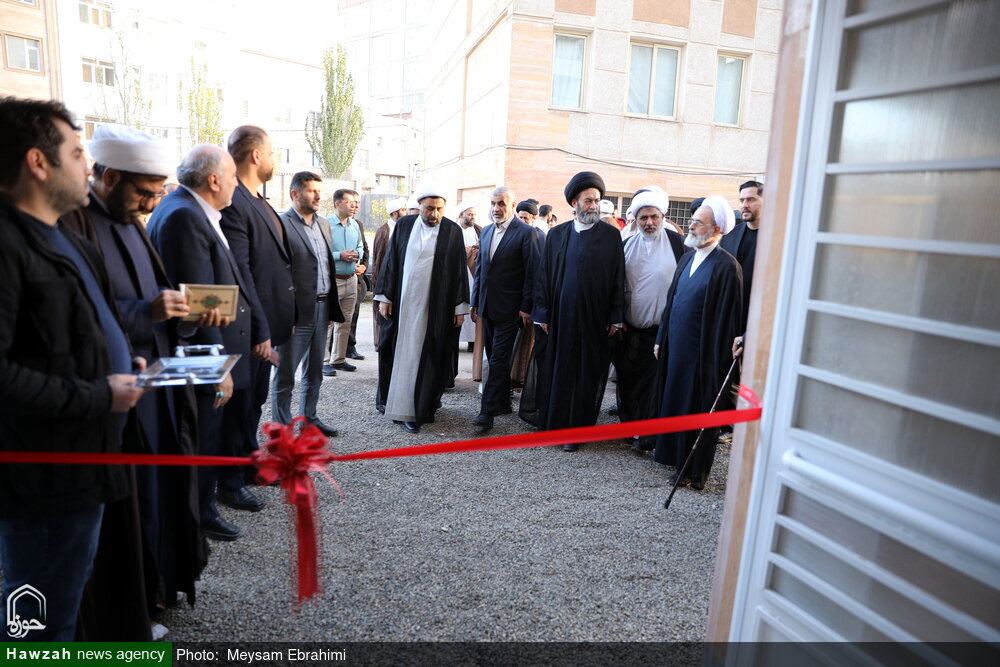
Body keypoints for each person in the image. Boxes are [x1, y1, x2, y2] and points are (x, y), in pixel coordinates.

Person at [0, 97, 144, 640]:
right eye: (78, 153)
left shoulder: (71, 239)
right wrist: (99, 395)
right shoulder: (6, 243)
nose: (90, 166)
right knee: (36, 625)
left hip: (86, 463)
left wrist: (121, 356)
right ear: (38, 162)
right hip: (42, 477)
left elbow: (80, 329)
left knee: (65, 604)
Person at [60, 125, 205, 637]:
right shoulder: (75, 223)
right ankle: (127, 617)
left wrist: (183, 313)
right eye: (144, 192)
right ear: (110, 177)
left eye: (157, 192)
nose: (150, 204)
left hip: (155, 389)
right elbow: (80, 319)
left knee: (159, 496)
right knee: (130, 510)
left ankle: (155, 594)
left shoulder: (132, 221)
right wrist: (147, 312)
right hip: (119, 399)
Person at [148, 145, 257, 541]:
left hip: (204, 350)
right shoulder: (184, 216)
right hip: (200, 355)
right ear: (213, 180)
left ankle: (197, 513)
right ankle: (196, 518)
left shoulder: (189, 210)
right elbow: (198, 303)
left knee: (204, 436)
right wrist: (217, 366)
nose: (235, 186)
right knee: (200, 438)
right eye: (231, 178)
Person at [521, 171, 625, 449]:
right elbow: (543, 276)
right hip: (560, 319)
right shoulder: (557, 234)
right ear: (574, 203)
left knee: (585, 375)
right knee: (559, 371)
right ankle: (555, 426)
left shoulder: (611, 236)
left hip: (594, 319)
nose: (593, 205)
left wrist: (616, 316)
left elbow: (618, 277)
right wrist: (541, 312)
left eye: (597, 200)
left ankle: (576, 432)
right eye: (588, 200)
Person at [221, 125, 294, 492]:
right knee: (239, 404)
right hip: (248, 328)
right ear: (255, 155)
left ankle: (249, 465)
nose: (274, 159)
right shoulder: (234, 200)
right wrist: (259, 329)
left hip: (264, 325)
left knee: (253, 402)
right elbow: (241, 272)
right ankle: (230, 481)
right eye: (272, 152)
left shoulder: (259, 201)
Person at [653, 196, 743, 489]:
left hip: (702, 356)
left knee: (696, 409)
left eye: (698, 223)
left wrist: (714, 361)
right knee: (675, 403)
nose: (691, 226)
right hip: (676, 348)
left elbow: (727, 322)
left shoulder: (727, 267)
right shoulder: (687, 257)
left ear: (716, 229)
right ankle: (674, 459)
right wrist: (661, 338)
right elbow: (672, 302)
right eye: (692, 221)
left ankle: (693, 471)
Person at [375, 185, 470, 433]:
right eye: (429, 208)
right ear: (419, 207)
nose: (434, 214)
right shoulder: (404, 225)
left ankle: (419, 408)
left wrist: (459, 307)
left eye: (439, 209)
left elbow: (459, 270)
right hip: (403, 304)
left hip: (435, 307)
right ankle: (396, 404)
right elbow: (391, 260)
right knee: (399, 351)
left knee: (428, 354)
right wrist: (385, 296)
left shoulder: (452, 230)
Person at [614, 189, 688, 453]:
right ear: (635, 219)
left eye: (654, 217)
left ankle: (647, 436)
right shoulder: (626, 243)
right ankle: (629, 427)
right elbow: (616, 284)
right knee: (628, 380)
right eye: (643, 217)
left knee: (653, 385)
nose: (649, 222)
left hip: (661, 332)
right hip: (629, 329)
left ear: (663, 217)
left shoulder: (678, 244)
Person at [272, 172, 344, 436]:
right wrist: (284, 314)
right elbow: (277, 273)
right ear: (295, 193)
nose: (318, 196)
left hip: (322, 308)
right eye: (312, 191)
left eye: (319, 191)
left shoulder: (323, 224)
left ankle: (309, 420)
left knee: (314, 372)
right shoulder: (280, 224)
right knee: (285, 375)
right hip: (295, 313)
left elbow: (325, 265)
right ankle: (281, 432)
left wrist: (328, 307)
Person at [470, 187, 540, 431]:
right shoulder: (487, 231)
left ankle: (486, 413)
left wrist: (526, 307)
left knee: (498, 360)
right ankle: (502, 403)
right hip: (488, 307)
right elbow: (481, 269)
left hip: (511, 310)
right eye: (493, 203)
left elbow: (532, 272)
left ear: (512, 205)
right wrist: (475, 301)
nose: (496, 208)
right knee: (494, 356)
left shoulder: (526, 233)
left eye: (501, 203)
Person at [324, 189, 364, 374]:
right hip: (333, 280)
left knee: (345, 321)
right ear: (337, 204)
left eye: (355, 202)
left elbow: (360, 246)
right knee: (327, 322)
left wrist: (357, 255)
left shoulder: (354, 225)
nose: (354, 206)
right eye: (349, 202)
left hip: (351, 279)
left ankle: (338, 359)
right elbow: (320, 252)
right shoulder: (325, 225)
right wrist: (340, 255)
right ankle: (323, 361)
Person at [723, 180, 763, 347]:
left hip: (759, 321)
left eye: (751, 200)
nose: (744, 205)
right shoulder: (730, 237)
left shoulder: (778, 237)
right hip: (730, 320)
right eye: (741, 200)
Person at [371, 197, 407, 352]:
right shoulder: (384, 231)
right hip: (384, 282)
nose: (406, 212)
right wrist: (381, 285)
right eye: (403, 210)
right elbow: (379, 260)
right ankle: (381, 344)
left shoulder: (403, 228)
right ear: (394, 213)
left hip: (398, 281)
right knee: (382, 315)